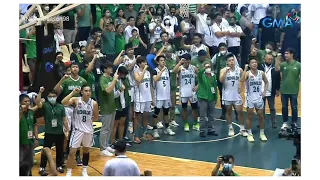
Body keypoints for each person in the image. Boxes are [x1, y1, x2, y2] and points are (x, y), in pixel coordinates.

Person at [53, 62, 87, 165]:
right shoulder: (66, 80)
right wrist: (62, 79)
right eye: (73, 67)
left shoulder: (83, 81)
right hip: (67, 108)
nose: (75, 68)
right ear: (70, 69)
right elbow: (55, 91)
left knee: (78, 132)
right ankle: (64, 154)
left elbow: (86, 93)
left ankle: (77, 155)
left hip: (78, 108)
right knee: (66, 133)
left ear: (79, 69)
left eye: (77, 67)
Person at [62, 85, 99, 176]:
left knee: (86, 151)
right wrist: (73, 92)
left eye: (89, 91)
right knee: (72, 152)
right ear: (81, 92)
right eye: (86, 91)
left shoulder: (93, 103)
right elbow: (63, 102)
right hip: (77, 130)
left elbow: (96, 117)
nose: (88, 93)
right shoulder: (76, 100)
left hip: (88, 130)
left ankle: (84, 170)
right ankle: (69, 172)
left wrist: (87, 122)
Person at [35, 87, 69, 176]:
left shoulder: (61, 106)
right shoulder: (45, 105)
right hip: (49, 132)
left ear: (56, 97)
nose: (52, 98)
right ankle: (42, 167)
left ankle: (59, 165)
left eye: (54, 96)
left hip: (59, 132)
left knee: (60, 150)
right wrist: (40, 92)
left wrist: (67, 129)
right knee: (46, 150)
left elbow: (64, 119)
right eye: (50, 96)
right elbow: (37, 103)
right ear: (48, 97)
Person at [219, 54, 248, 137]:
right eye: (229, 60)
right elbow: (221, 80)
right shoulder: (223, 70)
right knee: (228, 112)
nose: (231, 62)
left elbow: (242, 79)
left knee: (240, 112)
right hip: (227, 95)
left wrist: (241, 88)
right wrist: (226, 72)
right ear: (227, 62)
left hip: (236, 95)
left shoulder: (239, 70)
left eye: (232, 60)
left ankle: (242, 129)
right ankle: (230, 128)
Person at [241, 59, 269, 142]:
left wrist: (264, 92)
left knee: (261, 116)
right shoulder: (247, 73)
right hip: (250, 98)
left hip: (259, 98)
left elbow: (266, 82)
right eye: (252, 62)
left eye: (255, 62)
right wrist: (245, 69)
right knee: (249, 116)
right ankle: (249, 134)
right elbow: (241, 80)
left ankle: (262, 133)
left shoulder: (261, 73)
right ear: (249, 65)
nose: (254, 63)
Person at [275, 48, 301, 130]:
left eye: (287, 53)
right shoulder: (283, 64)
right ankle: (285, 122)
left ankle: (294, 122)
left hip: (294, 90)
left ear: (292, 54)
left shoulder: (298, 65)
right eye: (285, 53)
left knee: (294, 107)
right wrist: (276, 59)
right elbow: (277, 69)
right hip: (284, 90)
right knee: (284, 107)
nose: (285, 55)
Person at [173, 53, 199, 132]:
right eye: (185, 61)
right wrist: (179, 63)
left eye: (188, 61)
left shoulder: (194, 68)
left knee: (195, 108)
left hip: (192, 92)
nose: (187, 63)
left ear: (190, 61)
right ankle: (186, 123)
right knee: (184, 108)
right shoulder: (180, 68)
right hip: (183, 92)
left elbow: (201, 77)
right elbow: (174, 71)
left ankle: (195, 124)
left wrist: (198, 86)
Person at [98, 61, 119, 156]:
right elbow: (107, 90)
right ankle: (102, 148)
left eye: (111, 67)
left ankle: (106, 145)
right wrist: (114, 80)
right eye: (109, 68)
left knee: (110, 127)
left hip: (112, 106)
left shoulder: (110, 78)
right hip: (105, 107)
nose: (111, 69)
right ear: (105, 69)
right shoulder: (103, 79)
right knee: (105, 128)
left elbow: (113, 92)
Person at [152, 55, 175, 138]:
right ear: (158, 62)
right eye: (161, 60)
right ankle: (155, 130)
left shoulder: (167, 71)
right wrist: (161, 71)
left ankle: (167, 128)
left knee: (166, 113)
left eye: (164, 60)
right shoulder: (155, 71)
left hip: (166, 96)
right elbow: (155, 79)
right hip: (158, 96)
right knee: (156, 114)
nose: (163, 62)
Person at [133, 56, 153, 143]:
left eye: (146, 62)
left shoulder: (148, 73)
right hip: (140, 98)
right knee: (137, 117)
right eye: (144, 62)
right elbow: (139, 80)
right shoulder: (136, 72)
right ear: (139, 64)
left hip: (147, 97)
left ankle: (144, 133)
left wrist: (152, 98)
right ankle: (135, 135)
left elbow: (150, 86)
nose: (145, 63)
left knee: (146, 116)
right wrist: (144, 70)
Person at [259, 53, 281, 128]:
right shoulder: (260, 66)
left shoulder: (275, 68)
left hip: (271, 90)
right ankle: (261, 122)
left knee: (272, 108)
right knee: (262, 108)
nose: (270, 60)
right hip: (261, 91)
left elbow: (278, 79)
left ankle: (274, 122)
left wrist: (278, 89)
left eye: (271, 59)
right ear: (264, 59)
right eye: (268, 59)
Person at [197, 61, 218, 137]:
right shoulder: (201, 76)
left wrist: (216, 97)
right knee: (202, 115)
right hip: (203, 98)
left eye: (209, 66)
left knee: (211, 115)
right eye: (206, 67)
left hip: (211, 97)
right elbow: (199, 74)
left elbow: (215, 87)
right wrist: (203, 69)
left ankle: (211, 129)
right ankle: (202, 130)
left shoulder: (213, 76)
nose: (208, 68)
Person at [19, 94, 39, 176]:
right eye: (25, 101)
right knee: (20, 162)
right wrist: (21, 112)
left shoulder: (31, 112)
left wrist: (37, 138)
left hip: (30, 142)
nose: (27, 103)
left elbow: (34, 125)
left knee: (30, 162)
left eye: (28, 101)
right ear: (20, 103)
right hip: (20, 142)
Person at [110, 66, 130, 145]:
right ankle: (112, 142)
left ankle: (121, 141)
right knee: (115, 125)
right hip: (116, 106)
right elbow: (113, 95)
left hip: (123, 105)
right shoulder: (114, 81)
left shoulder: (124, 80)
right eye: (123, 75)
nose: (124, 76)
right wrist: (120, 90)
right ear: (119, 73)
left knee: (122, 124)